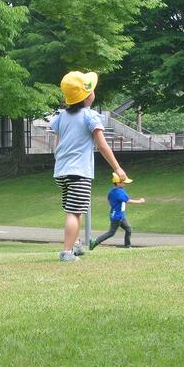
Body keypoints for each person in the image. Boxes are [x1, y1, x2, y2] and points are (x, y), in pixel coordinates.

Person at [51, 71, 128, 262]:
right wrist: (117, 168)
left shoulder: (61, 117)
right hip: (79, 172)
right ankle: (67, 252)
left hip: (61, 172)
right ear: (87, 95)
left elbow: (57, 144)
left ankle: (75, 245)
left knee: (75, 209)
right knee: (74, 212)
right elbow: (102, 145)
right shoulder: (90, 116)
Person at [89, 172, 145, 250]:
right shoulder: (119, 192)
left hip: (120, 215)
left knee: (128, 229)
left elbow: (109, 199)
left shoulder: (112, 191)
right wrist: (139, 201)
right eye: (123, 182)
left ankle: (128, 246)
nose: (125, 184)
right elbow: (127, 200)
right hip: (117, 216)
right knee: (111, 233)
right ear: (118, 183)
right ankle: (95, 242)